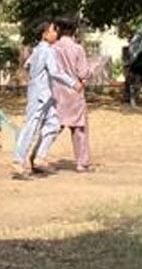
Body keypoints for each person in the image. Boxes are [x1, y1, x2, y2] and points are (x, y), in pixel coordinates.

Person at [11, 19, 81, 178]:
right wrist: (72, 83)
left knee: (54, 124)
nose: (56, 33)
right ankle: (17, 160)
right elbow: (55, 72)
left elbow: (28, 65)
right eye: (53, 30)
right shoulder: (46, 51)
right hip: (40, 95)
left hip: (45, 94)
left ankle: (39, 158)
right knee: (31, 127)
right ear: (45, 34)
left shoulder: (38, 50)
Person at [51, 16, 92, 172]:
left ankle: (38, 154)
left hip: (56, 92)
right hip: (75, 91)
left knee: (53, 127)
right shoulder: (77, 49)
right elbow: (83, 72)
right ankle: (82, 163)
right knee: (79, 129)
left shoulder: (53, 48)